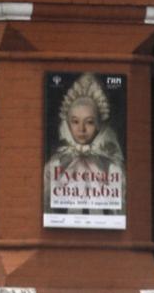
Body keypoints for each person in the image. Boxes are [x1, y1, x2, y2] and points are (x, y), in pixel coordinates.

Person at [43, 72, 126, 218]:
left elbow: (120, 213)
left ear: (98, 124)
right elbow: (46, 209)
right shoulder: (55, 164)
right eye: (75, 122)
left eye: (89, 122)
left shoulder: (111, 167)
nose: (81, 129)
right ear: (67, 123)